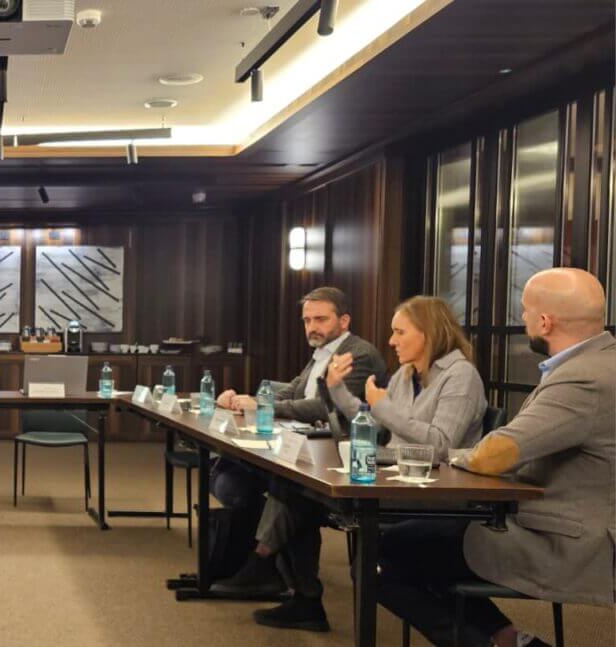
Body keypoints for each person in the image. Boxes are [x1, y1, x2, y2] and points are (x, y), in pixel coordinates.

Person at [378, 268, 614, 647]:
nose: (521, 318)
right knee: (411, 546)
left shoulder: (583, 379)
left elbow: (496, 454)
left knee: (383, 554)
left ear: (545, 321)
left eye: (524, 310)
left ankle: (493, 642)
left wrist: (456, 456)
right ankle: (509, 638)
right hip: (543, 518)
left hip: (561, 541)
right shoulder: (598, 364)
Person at [243, 295, 487, 632]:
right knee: (294, 486)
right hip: (391, 476)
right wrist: (338, 391)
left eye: (400, 332)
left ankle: (267, 568)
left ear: (428, 332)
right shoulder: (406, 374)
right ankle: (300, 594)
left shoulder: (461, 376)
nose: (391, 341)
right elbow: (377, 429)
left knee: (300, 494)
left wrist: (382, 406)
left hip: (432, 488)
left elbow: (441, 445)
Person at [209, 287, 388, 597]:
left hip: (346, 455)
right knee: (243, 470)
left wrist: (263, 406)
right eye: (307, 320)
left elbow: (322, 406)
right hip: (313, 447)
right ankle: (276, 574)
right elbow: (293, 391)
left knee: (289, 484)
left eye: (320, 319)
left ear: (344, 320)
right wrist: (245, 399)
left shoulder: (357, 354)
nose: (312, 327)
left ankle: (268, 566)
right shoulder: (322, 352)